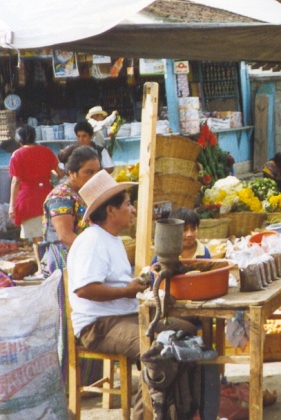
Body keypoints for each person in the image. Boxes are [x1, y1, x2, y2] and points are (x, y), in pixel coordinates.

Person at [67, 170, 197, 420]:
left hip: (121, 317)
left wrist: (142, 278)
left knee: (186, 332)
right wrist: (128, 289)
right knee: (159, 348)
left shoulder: (112, 240)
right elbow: (84, 289)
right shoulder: (92, 241)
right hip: (98, 326)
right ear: (110, 211)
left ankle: (176, 413)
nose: (133, 209)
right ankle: (145, 416)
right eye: (127, 204)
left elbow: (115, 282)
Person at [39, 145, 102, 385]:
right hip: (63, 260)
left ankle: (90, 378)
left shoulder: (86, 193)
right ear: (72, 173)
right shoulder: (60, 195)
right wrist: (92, 255)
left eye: (97, 171)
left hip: (81, 257)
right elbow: (65, 234)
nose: (94, 177)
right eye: (88, 172)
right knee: (69, 319)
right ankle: (67, 382)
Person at [9, 125, 62, 243]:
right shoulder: (47, 151)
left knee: (37, 239)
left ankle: (40, 262)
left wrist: (12, 205)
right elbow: (60, 173)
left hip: (28, 199)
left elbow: (15, 181)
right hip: (47, 196)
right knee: (51, 235)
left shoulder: (17, 155)